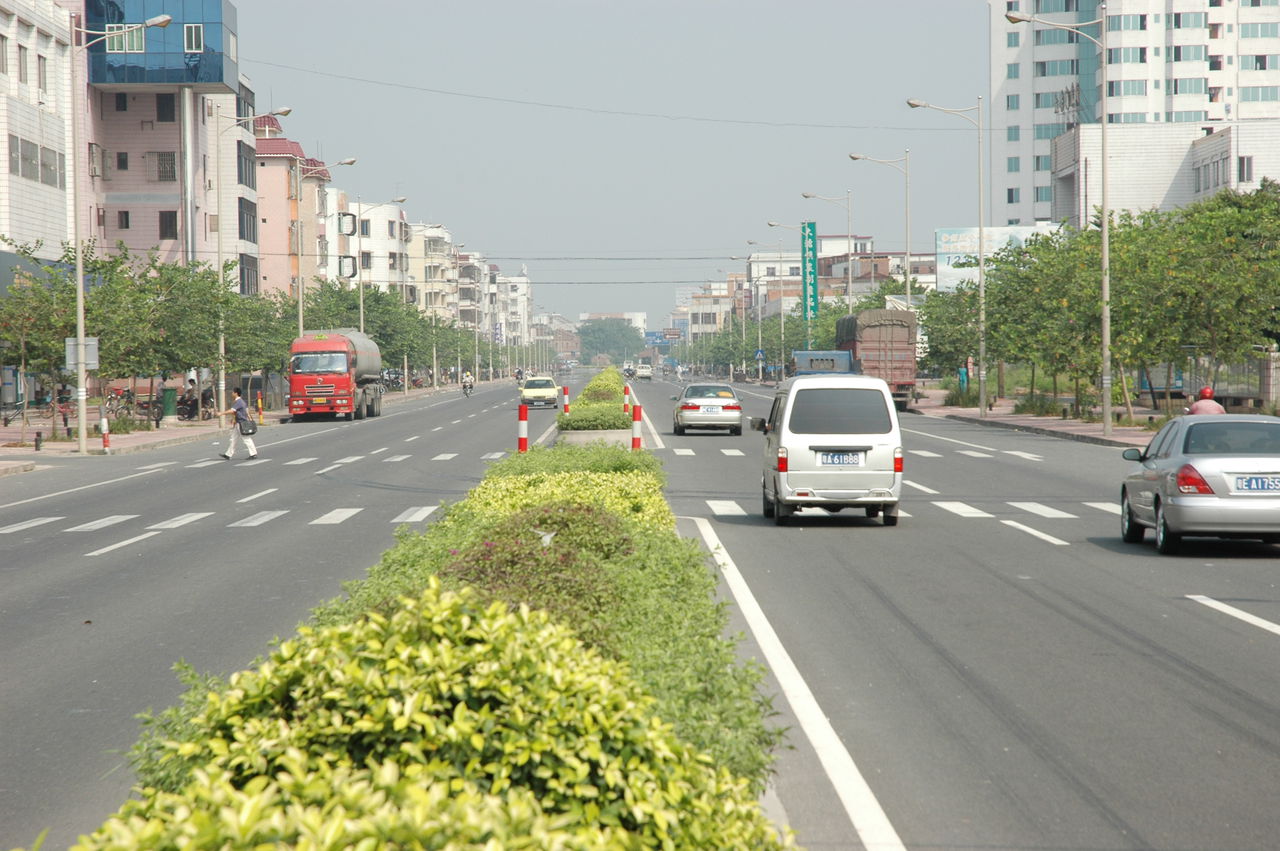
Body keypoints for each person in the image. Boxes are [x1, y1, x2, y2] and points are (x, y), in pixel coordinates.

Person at [219, 387, 258, 460]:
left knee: (246, 438)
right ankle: (228, 454)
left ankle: (253, 454)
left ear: (236, 393)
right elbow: (244, 411)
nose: (232, 393)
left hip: (241, 423)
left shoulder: (239, 402)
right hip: (238, 422)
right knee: (233, 439)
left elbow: (232, 410)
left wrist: (221, 413)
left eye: (233, 392)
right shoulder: (242, 402)